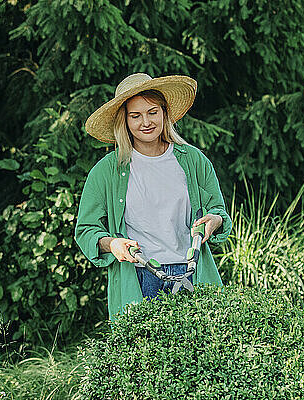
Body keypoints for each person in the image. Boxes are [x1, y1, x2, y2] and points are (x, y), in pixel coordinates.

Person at [74, 73, 232, 321]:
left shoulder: (193, 160)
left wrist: (214, 220)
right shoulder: (106, 171)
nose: (145, 122)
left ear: (164, 113)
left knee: (199, 354)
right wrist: (112, 244)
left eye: (152, 112)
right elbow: (86, 229)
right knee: (141, 356)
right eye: (135, 116)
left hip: (191, 272)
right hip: (139, 277)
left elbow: (219, 212)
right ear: (123, 121)